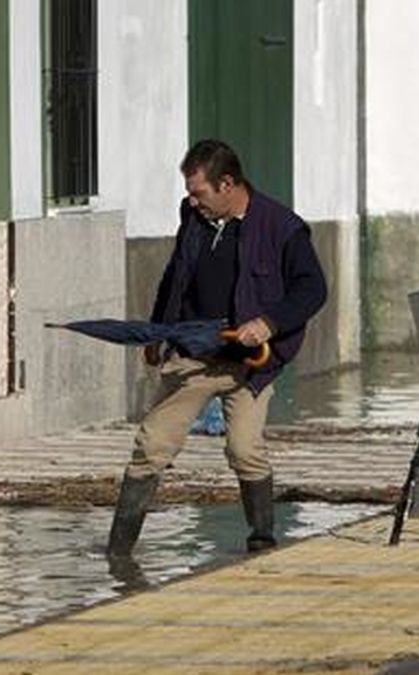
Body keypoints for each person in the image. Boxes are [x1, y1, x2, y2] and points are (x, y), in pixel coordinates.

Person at [107, 139, 327, 557]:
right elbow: (175, 275)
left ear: (227, 184)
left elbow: (313, 289)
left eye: (199, 192)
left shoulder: (282, 227)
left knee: (245, 450)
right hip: (196, 356)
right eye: (189, 192)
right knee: (152, 445)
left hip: (251, 365)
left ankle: (261, 542)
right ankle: (118, 553)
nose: (191, 201)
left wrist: (268, 323)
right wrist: (156, 332)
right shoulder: (193, 218)